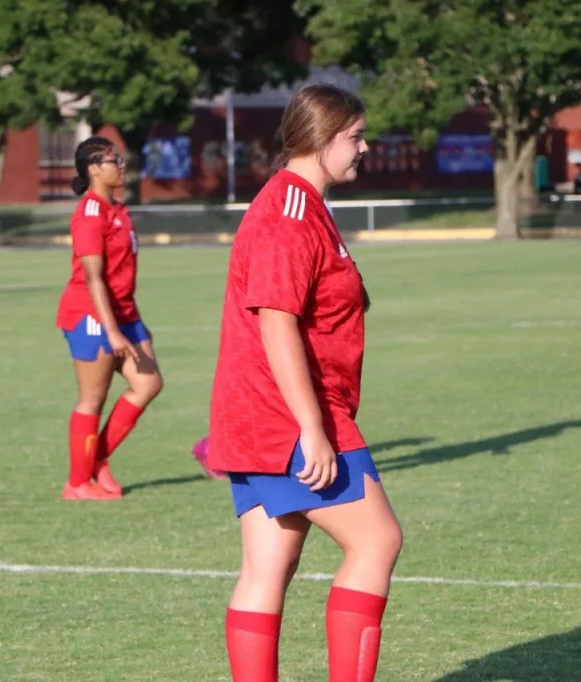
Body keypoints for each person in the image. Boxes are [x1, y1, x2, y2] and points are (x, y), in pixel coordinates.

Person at [207, 84, 402, 682]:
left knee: (268, 567)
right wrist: (312, 429)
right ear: (319, 138)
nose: (364, 148)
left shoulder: (304, 204)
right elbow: (276, 321)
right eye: (355, 137)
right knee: (377, 541)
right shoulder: (289, 212)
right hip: (289, 416)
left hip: (265, 415)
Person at [55, 136, 163, 500]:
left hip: (124, 313)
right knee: (92, 399)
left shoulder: (117, 209)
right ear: (94, 169)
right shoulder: (90, 214)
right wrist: (113, 331)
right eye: (113, 161)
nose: (121, 165)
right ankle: (77, 484)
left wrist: (134, 322)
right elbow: (93, 278)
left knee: (149, 383)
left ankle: (95, 458)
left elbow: (120, 276)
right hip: (91, 316)